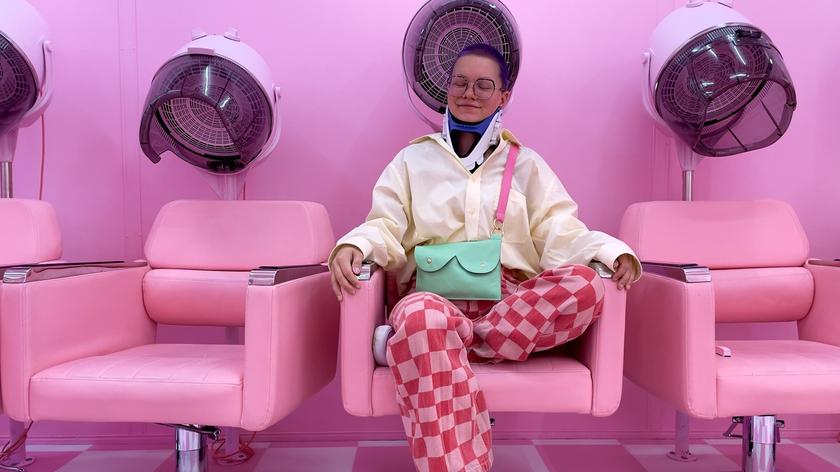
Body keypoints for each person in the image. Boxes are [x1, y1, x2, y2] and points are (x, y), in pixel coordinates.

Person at [329, 43, 641, 472]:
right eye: (460, 82)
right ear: (447, 88)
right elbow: (385, 223)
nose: (469, 93)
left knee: (586, 285)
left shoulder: (527, 165)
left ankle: (447, 342)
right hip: (433, 298)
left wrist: (609, 251)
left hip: (511, 305)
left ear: (503, 96)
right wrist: (356, 245)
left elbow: (560, 229)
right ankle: (437, 357)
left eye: (483, 85)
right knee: (420, 318)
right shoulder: (412, 160)